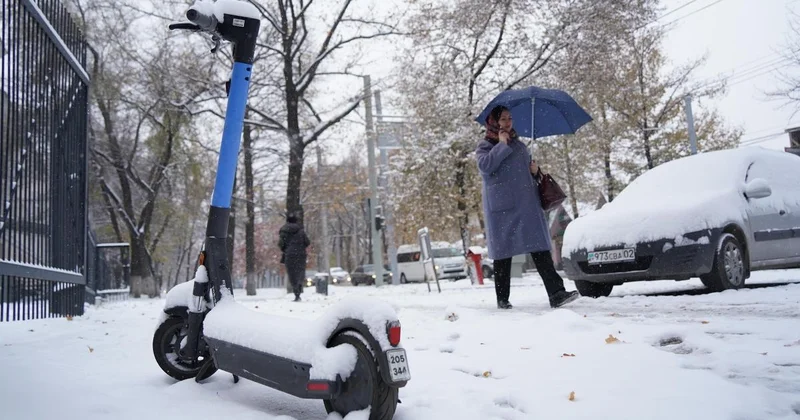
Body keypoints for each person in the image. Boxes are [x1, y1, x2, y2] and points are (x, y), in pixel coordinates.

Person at [475, 105, 579, 309]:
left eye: (509, 118)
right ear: (494, 122)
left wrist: (535, 171)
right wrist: (501, 145)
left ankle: (556, 293)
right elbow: (485, 167)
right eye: (503, 119)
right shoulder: (485, 145)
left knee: (539, 248)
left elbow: (524, 172)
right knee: (503, 254)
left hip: (527, 204)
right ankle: (502, 299)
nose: (507, 122)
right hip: (502, 208)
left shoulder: (520, 145)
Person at [278, 213, 311, 302]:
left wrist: (286, 249)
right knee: (300, 271)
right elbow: (307, 242)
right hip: (301, 254)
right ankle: (299, 284)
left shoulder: (284, 230)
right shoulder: (301, 230)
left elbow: (280, 244)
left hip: (290, 254)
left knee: (292, 273)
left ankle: (296, 291)